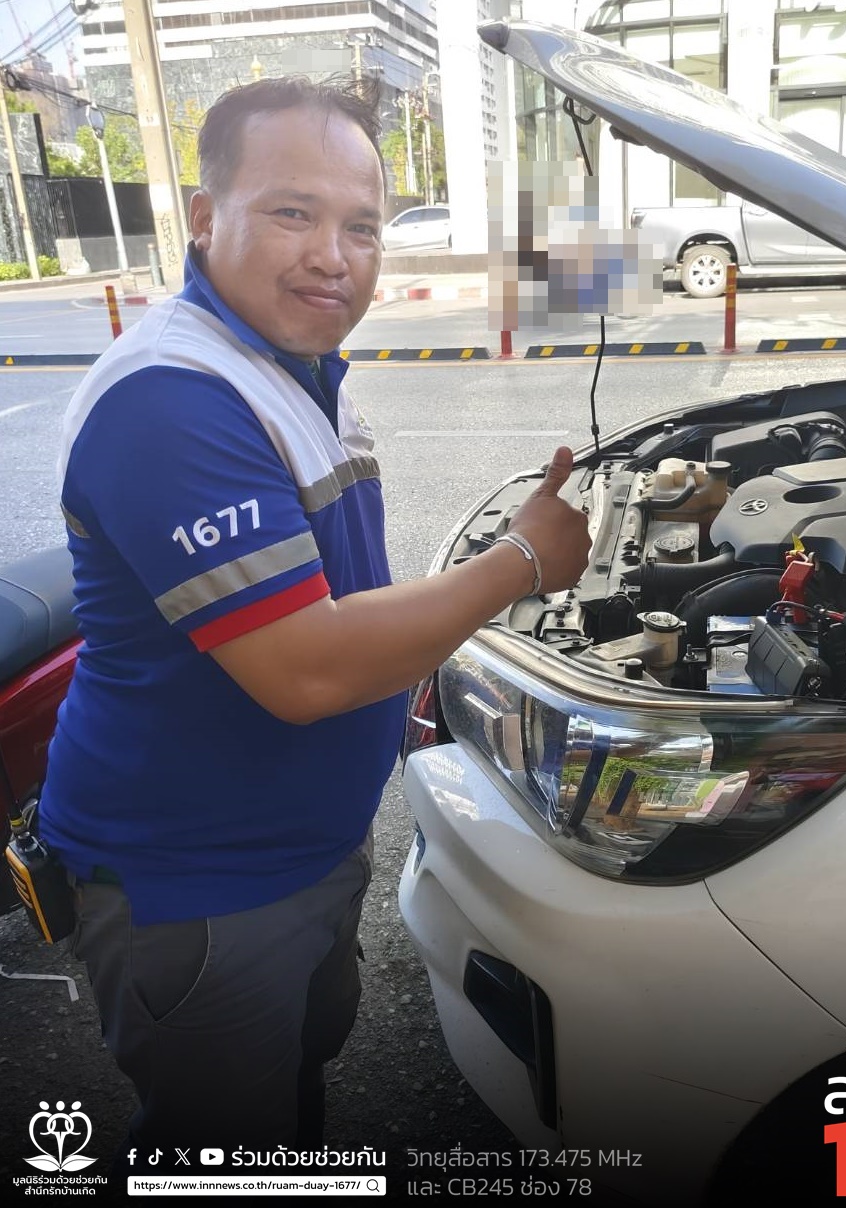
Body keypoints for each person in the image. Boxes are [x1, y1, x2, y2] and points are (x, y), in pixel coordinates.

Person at [38, 76, 590, 1161]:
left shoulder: (290, 365)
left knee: (286, 1109)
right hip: (200, 879)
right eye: (292, 212)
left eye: (361, 227)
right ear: (205, 217)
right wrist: (521, 560)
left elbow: (339, 592)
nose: (333, 257)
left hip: (300, 851)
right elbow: (309, 669)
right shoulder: (171, 398)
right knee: (219, 1154)